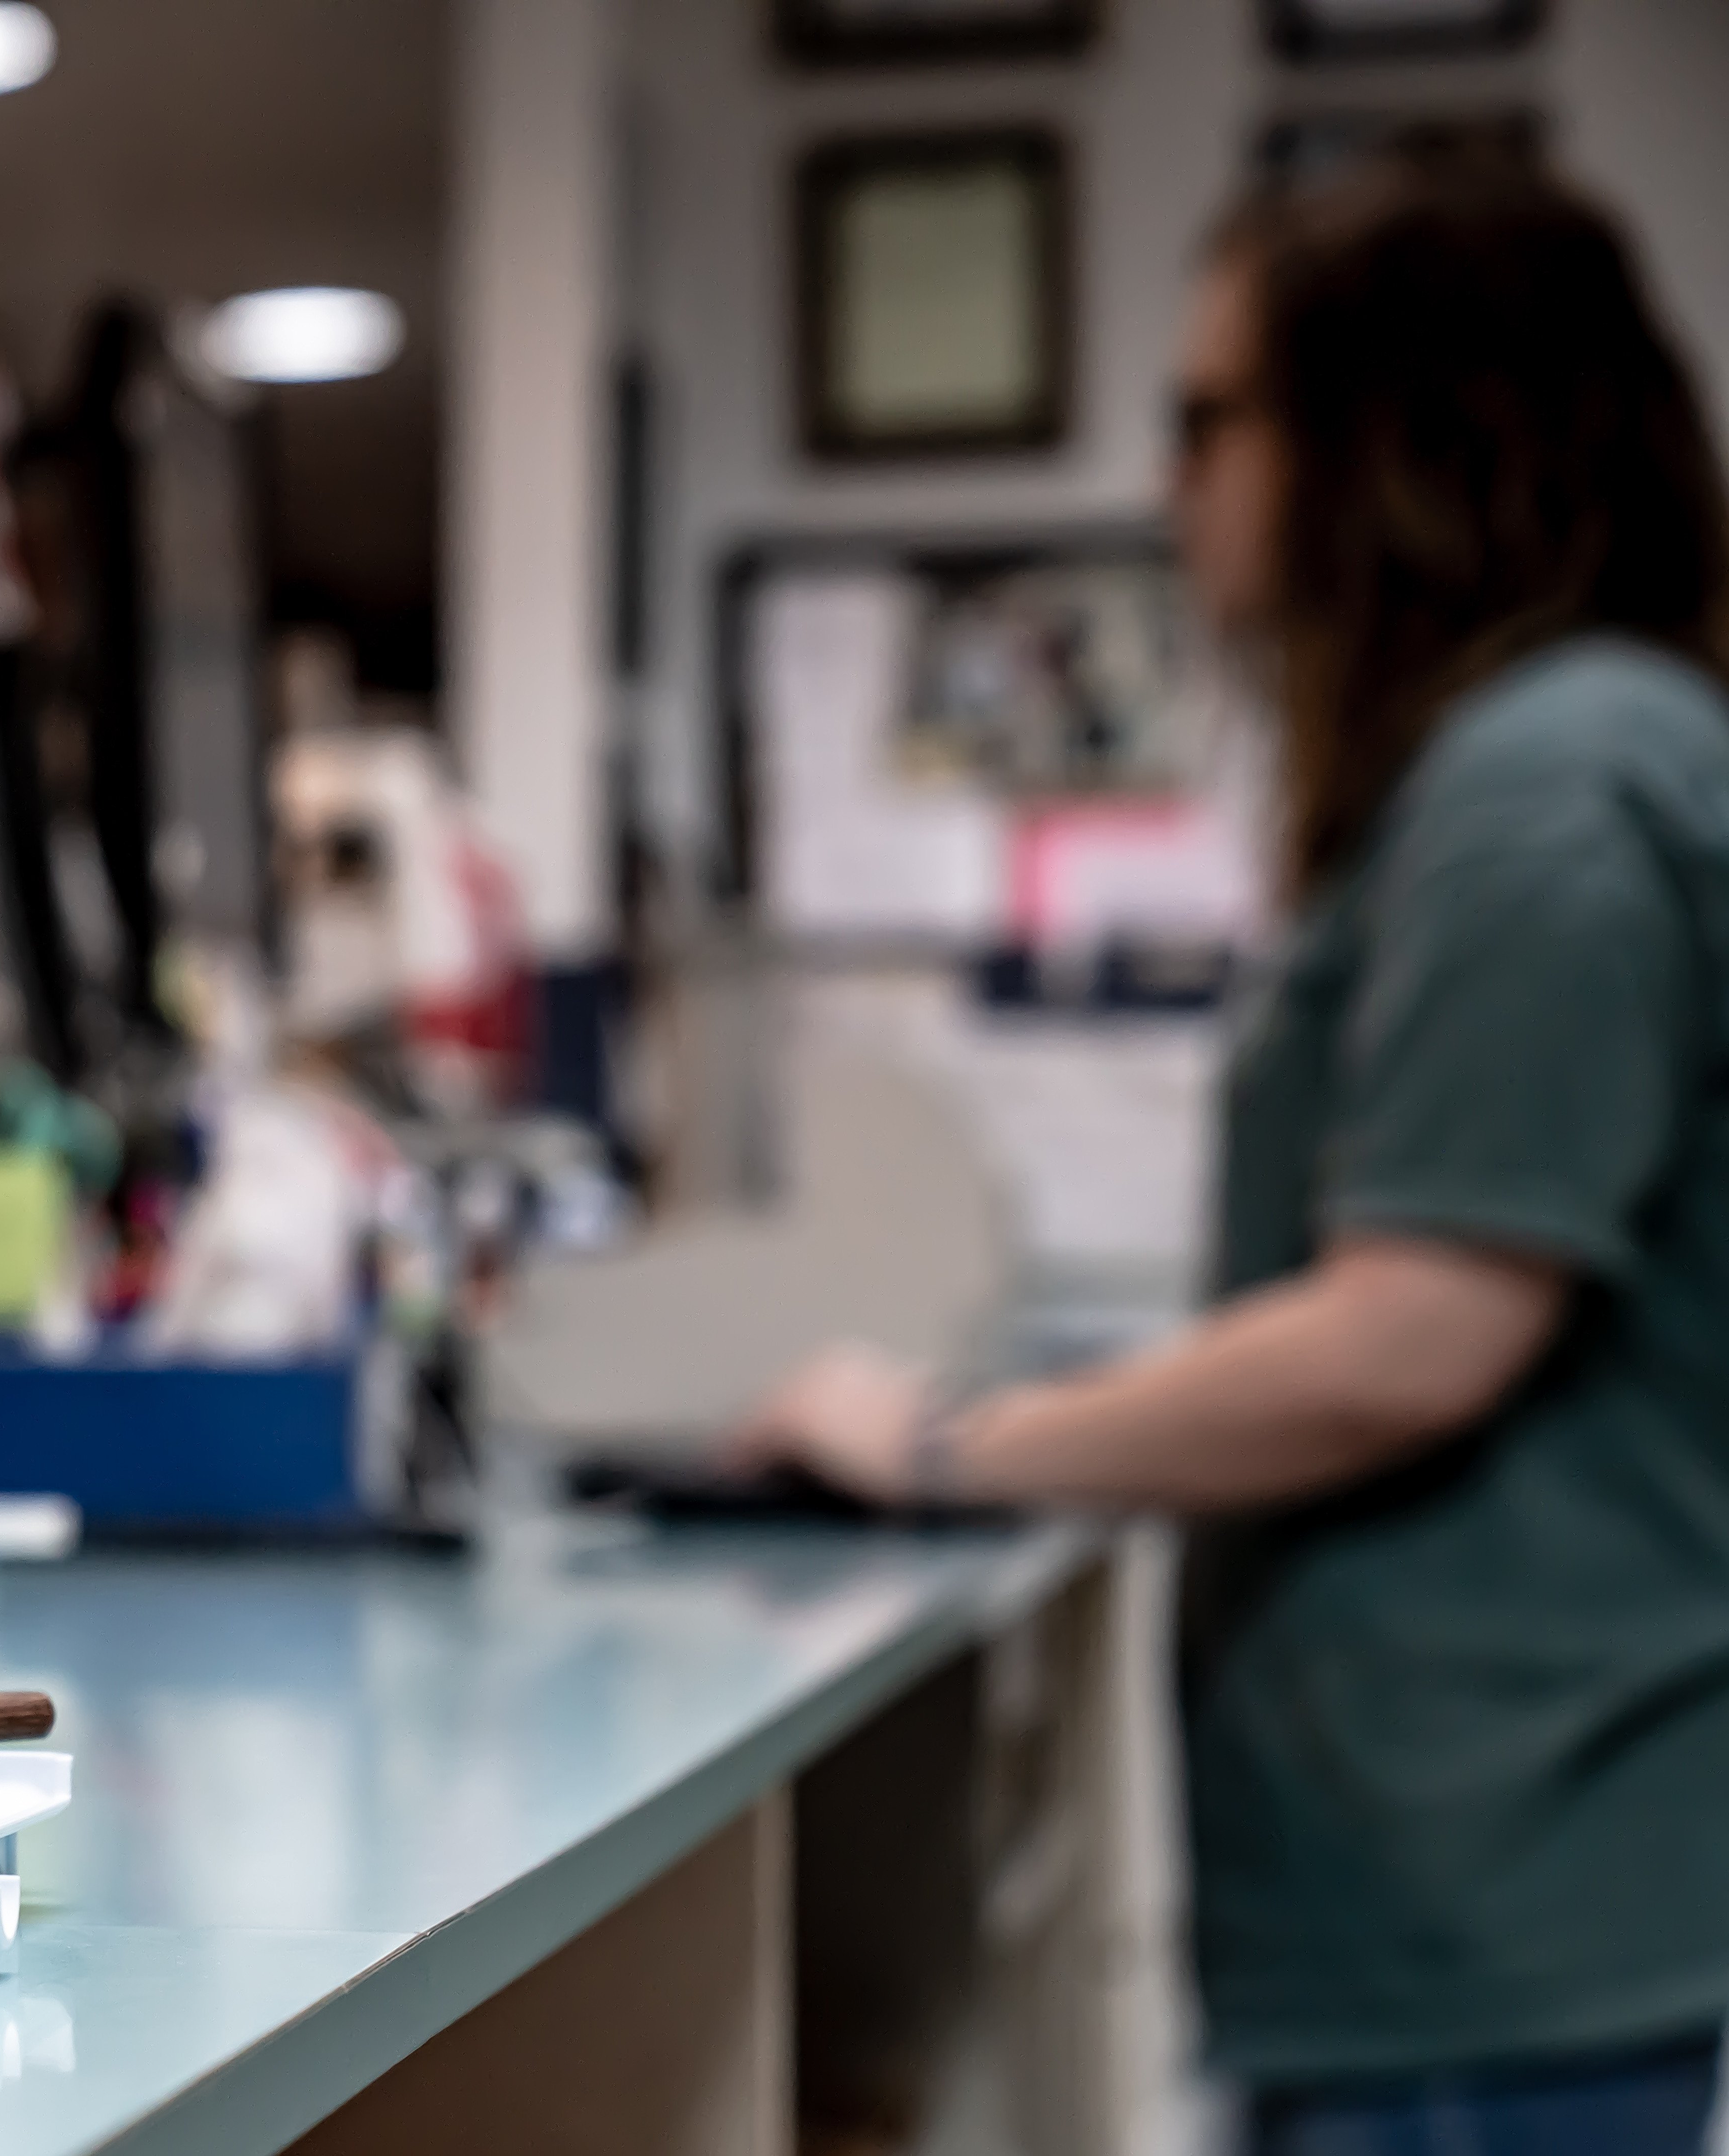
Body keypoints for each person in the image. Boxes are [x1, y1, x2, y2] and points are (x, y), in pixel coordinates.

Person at [732, 153, 1729, 2156]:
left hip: (1494, 1921)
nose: (1175, 482)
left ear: (1402, 437)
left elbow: (1411, 1332)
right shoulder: (1542, 762)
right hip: (1464, 1907)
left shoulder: (1547, 792)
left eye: (1212, 418)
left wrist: (948, 1440)